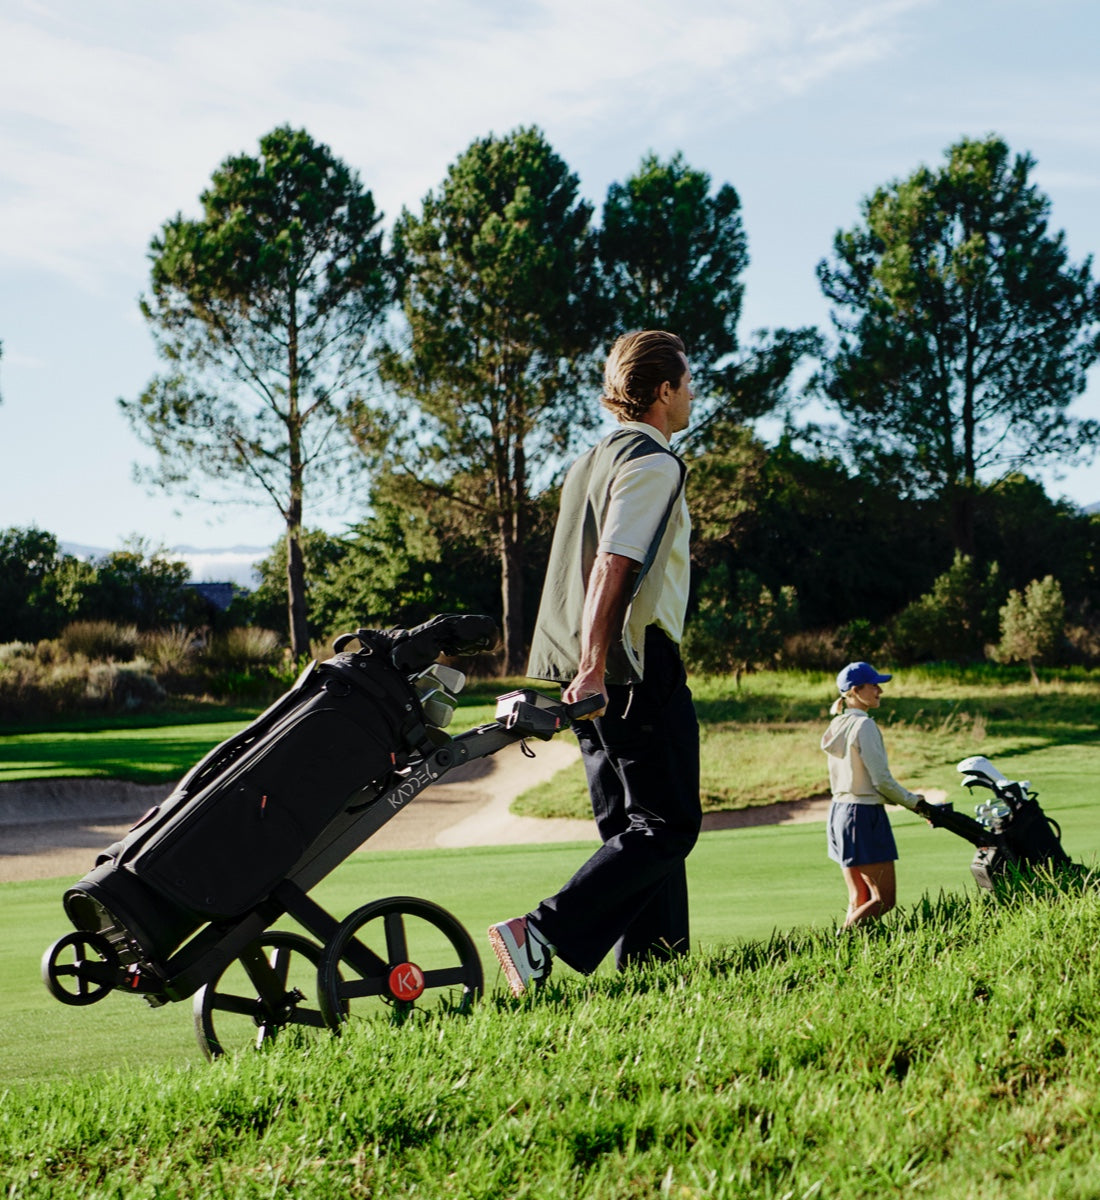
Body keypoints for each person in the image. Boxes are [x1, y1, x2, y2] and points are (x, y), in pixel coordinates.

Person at [488, 330, 701, 996]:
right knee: (667, 825)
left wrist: (582, 666)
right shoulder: (653, 460)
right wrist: (597, 663)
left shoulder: (588, 463)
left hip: (585, 666)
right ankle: (540, 935)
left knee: (631, 823)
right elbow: (616, 562)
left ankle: (655, 970)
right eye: (687, 383)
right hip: (631, 663)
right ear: (663, 392)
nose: (692, 395)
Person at [821, 661, 936, 928]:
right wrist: (915, 804)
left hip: (839, 814)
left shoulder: (838, 725)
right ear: (854, 690)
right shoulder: (865, 726)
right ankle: (843, 941)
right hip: (863, 816)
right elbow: (882, 781)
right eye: (873, 685)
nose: (879, 690)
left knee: (859, 897)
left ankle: (848, 957)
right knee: (883, 900)